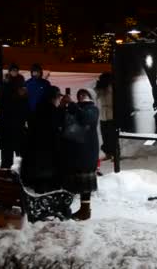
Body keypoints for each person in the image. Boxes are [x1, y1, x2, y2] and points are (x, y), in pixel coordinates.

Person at [60, 89, 100, 221]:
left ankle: (85, 210)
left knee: (85, 181)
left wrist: (72, 104)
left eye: (84, 94)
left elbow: (85, 119)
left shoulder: (92, 109)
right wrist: (62, 106)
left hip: (86, 151)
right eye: (79, 94)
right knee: (73, 179)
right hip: (73, 150)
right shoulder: (74, 108)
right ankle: (66, 208)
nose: (81, 96)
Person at [21, 85, 64, 193]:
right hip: (47, 157)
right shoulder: (52, 110)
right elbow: (55, 128)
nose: (59, 100)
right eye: (58, 97)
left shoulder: (37, 108)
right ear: (53, 98)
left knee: (40, 184)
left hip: (34, 157)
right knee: (45, 186)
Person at [0, 64, 28, 169]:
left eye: (16, 70)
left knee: (20, 147)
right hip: (7, 120)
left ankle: (21, 170)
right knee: (7, 148)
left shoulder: (21, 81)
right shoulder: (5, 82)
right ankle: (6, 168)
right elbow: (2, 100)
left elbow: (24, 99)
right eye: (13, 70)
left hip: (18, 120)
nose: (14, 72)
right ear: (10, 71)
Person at [95, 72, 117, 162]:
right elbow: (95, 95)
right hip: (104, 115)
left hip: (112, 114)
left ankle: (115, 154)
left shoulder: (112, 87)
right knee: (105, 136)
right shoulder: (100, 88)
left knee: (112, 136)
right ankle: (108, 153)